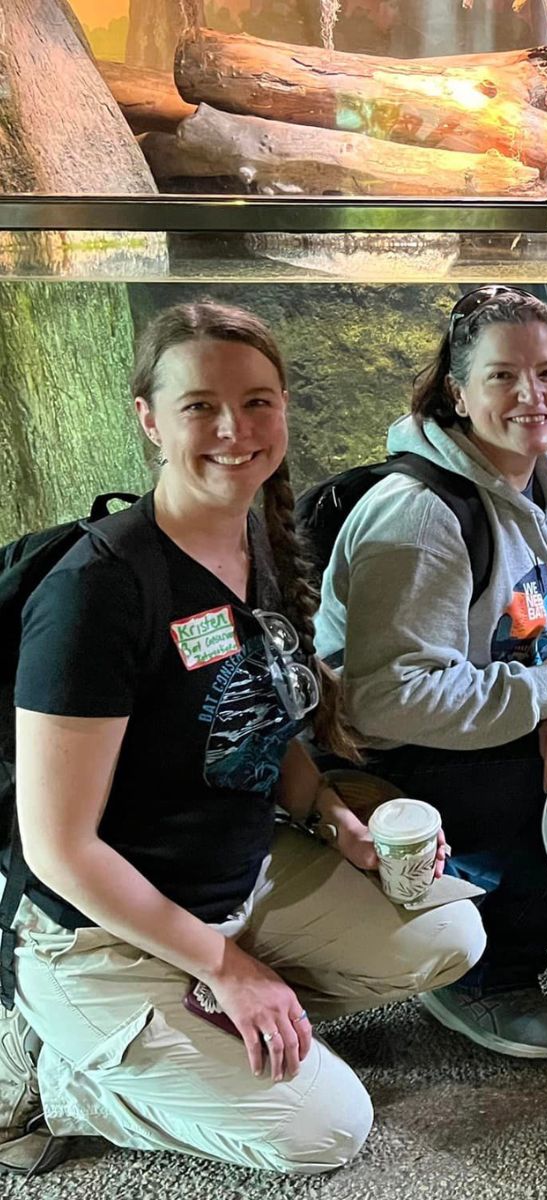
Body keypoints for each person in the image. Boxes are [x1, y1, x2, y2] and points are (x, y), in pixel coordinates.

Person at [0, 302, 485, 1176]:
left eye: (259, 402)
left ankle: (205, 1024)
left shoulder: (254, 539)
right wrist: (224, 964)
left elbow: (255, 721)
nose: (235, 430)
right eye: (200, 407)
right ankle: (60, 1068)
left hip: (238, 878)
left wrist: (337, 819)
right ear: (147, 417)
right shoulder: (98, 593)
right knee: (325, 1130)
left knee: (451, 932)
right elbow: (58, 849)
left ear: (285, 409)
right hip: (99, 931)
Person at [315, 286, 547, 1060]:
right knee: (535, 787)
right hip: (380, 748)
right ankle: (482, 977)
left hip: (506, 703)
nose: (533, 395)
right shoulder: (420, 515)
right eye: (502, 377)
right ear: (458, 393)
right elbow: (387, 701)